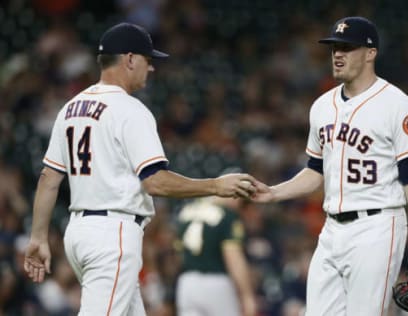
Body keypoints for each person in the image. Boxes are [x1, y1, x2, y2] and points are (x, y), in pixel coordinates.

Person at [23, 22, 258, 316]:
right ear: (130, 59)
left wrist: (38, 237)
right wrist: (215, 186)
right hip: (113, 234)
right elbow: (155, 182)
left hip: (79, 233)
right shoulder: (130, 110)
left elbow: (48, 179)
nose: (152, 68)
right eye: (148, 60)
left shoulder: (70, 108)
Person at [250, 16, 408, 315]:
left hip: (378, 227)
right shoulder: (322, 106)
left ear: (370, 53)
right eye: (334, 47)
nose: (337, 54)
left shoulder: (398, 105)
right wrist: (273, 193)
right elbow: (315, 172)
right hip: (331, 230)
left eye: (347, 47)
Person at [175, 195, 257, 316]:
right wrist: (247, 296)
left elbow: (179, 254)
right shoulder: (227, 215)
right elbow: (233, 257)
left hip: (187, 282)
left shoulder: (186, 211)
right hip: (217, 282)